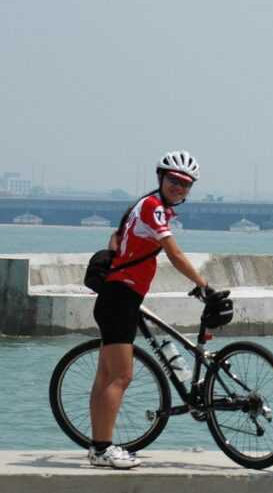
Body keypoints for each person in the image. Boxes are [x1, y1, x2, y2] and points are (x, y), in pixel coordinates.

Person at [88, 150, 213, 469]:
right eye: (174, 181)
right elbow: (174, 254)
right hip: (120, 298)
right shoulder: (153, 207)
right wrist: (203, 285)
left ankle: (97, 446)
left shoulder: (146, 207)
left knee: (105, 376)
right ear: (161, 178)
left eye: (186, 185)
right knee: (120, 376)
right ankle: (103, 450)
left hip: (119, 296)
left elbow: (116, 239)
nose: (179, 188)